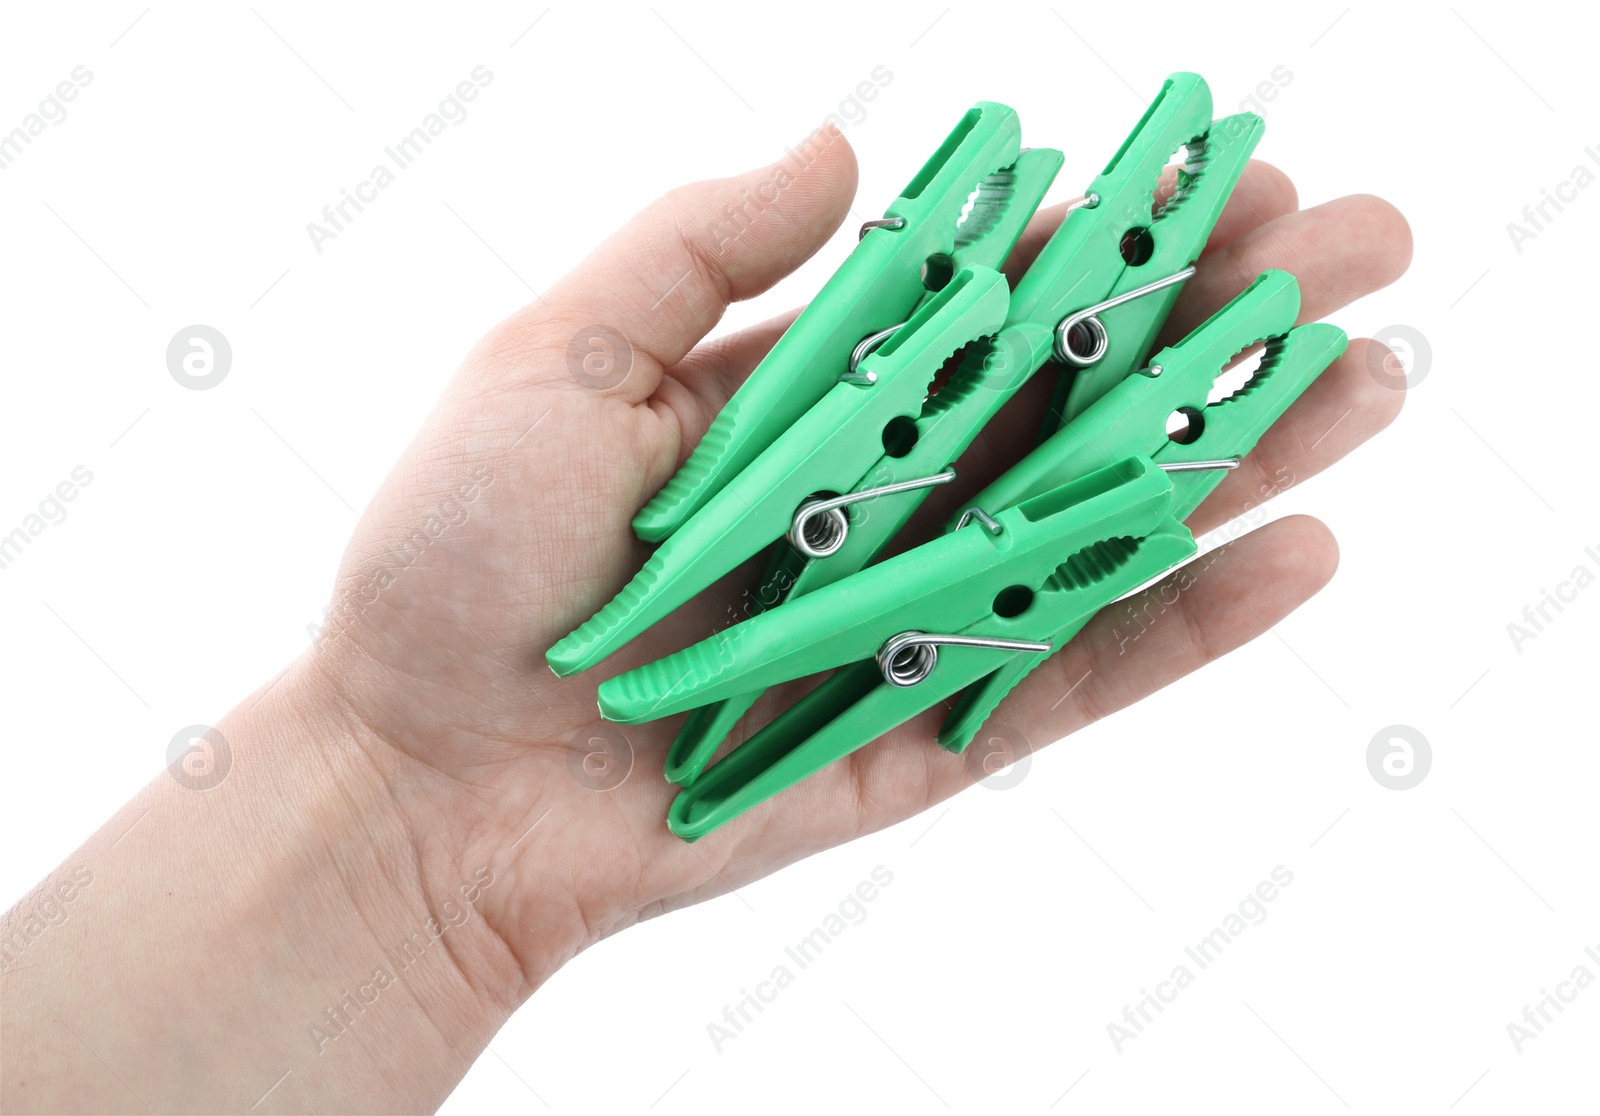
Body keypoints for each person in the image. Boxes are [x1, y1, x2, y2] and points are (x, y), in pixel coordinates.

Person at [1, 122, 1410, 1112]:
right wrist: (396, 783)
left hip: (992, 533)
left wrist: (387, 793)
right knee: (753, 559)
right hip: (943, 516)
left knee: (1035, 554)